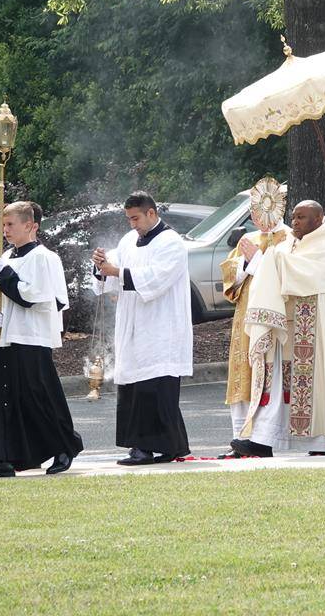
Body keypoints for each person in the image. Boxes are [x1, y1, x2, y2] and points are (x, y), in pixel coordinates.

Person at [236, 201, 325, 456]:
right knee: (279, 383)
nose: (295, 222)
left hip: (319, 329)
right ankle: (265, 439)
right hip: (288, 325)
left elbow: (306, 271)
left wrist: (268, 259)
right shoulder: (290, 243)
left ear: (319, 219)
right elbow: (285, 266)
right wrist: (272, 259)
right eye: (294, 217)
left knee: (322, 380)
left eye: (302, 217)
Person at [0, 201, 81, 478]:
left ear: (30, 226)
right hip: (4, 336)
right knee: (2, 398)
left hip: (32, 336)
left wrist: (5, 275)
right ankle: (2, 458)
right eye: (3, 225)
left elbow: (34, 297)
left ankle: (64, 445)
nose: (5, 231)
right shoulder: (6, 257)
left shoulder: (44, 258)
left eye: (10, 225)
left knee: (38, 394)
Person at [93, 191, 192, 466]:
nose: (132, 224)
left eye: (135, 218)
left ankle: (148, 448)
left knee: (155, 390)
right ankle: (164, 445)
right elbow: (110, 273)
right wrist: (100, 265)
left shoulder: (171, 242)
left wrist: (115, 272)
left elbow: (157, 278)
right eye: (128, 219)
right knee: (136, 389)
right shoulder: (128, 240)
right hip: (132, 322)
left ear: (151, 213)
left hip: (162, 326)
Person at [220, 179, 291, 458]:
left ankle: (262, 438)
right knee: (242, 375)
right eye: (254, 211)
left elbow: (285, 273)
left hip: (272, 320)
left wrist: (260, 259)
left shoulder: (288, 237)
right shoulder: (247, 239)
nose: (257, 217)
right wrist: (246, 262)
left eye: (262, 211)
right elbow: (231, 277)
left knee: (267, 377)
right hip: (245, 317)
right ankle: (240, 437)